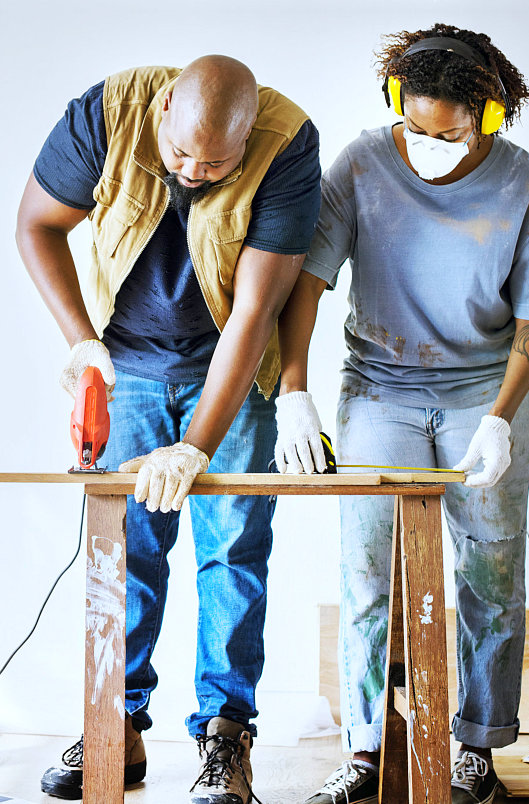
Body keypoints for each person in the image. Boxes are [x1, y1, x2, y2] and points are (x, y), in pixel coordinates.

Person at [16, 55, 321, 803]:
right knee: (124, 556)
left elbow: (254, 311)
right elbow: (37, 225)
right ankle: (114, 729)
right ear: (160, 116)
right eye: (179, 152)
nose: (191, 170)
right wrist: (81, 342)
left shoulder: (288, 144)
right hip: (129, 364)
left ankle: (225, 738)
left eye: (214, 161)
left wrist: (196, 445)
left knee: (234, 554)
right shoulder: (105, 114)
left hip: (233, 369)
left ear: (248, 139)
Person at [274, 23, 529, 804]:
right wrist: (292, 389)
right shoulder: (362, 164)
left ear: (490, 117)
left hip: (485, 395)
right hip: (380, 390)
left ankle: (477, 751)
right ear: (397, 103)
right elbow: (307, 284)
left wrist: (501, 417)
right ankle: (366, 751)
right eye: (417, 126)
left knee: (490, 573)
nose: (430, 145)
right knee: (367, 575)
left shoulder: (526, 187)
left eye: (452, 133)